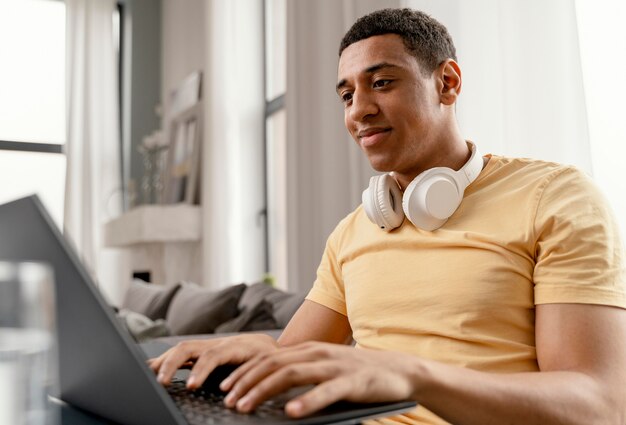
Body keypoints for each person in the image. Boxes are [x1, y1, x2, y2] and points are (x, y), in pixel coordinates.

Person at [150, 8, 626, 425]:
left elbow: (597, 406)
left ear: (448, 82)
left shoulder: (556, 198)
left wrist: (408, 374)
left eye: (381, 82)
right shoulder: (353, 231)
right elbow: (293, 358)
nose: (359, 110)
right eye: (346, 94)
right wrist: (244, 357)